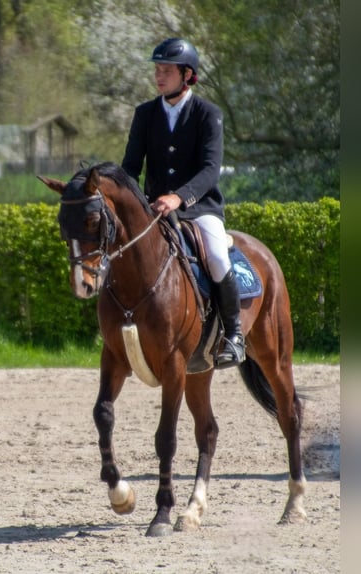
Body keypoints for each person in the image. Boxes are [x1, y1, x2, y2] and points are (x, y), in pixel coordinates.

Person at [121, 37, 245, 368]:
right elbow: (131, 167)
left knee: (217, 257)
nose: (159, 76)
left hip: (200, 207)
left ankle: (234, 334)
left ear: (187, 74)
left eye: (166, 71)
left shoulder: (208, 114)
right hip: (155, 209)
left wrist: (179, 197)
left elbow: (209, 170)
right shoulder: (144, 114)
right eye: (157, 70)